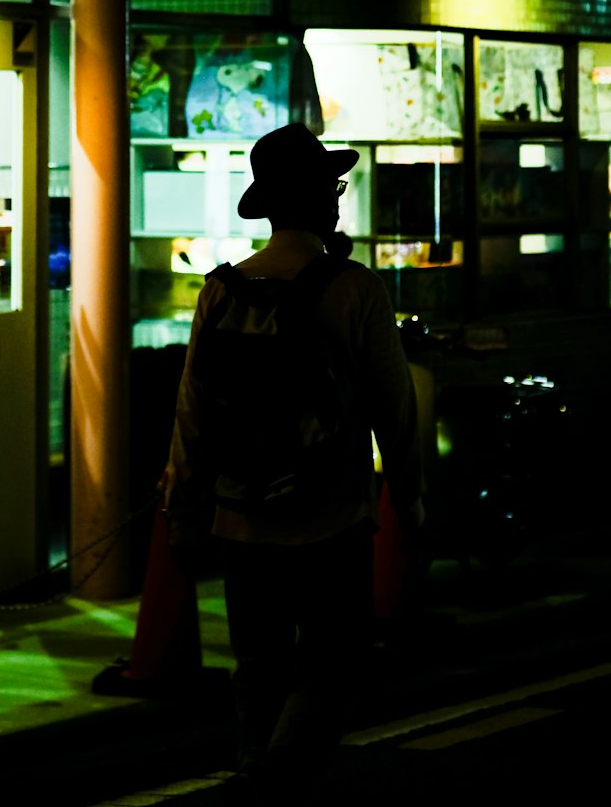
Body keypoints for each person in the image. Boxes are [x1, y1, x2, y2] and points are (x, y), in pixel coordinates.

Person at [165, 123, 425, 802]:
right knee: (336, 661)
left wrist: (185, 509)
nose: (339, 199)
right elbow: (394, 411)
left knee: (259, 665)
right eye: (333, 187)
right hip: (331, 516)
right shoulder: (354, 290)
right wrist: (411, 498)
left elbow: (193, 416)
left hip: (239, 516)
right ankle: (273, 778)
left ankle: (259, 768)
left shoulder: (220, 290)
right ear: (321, 201)